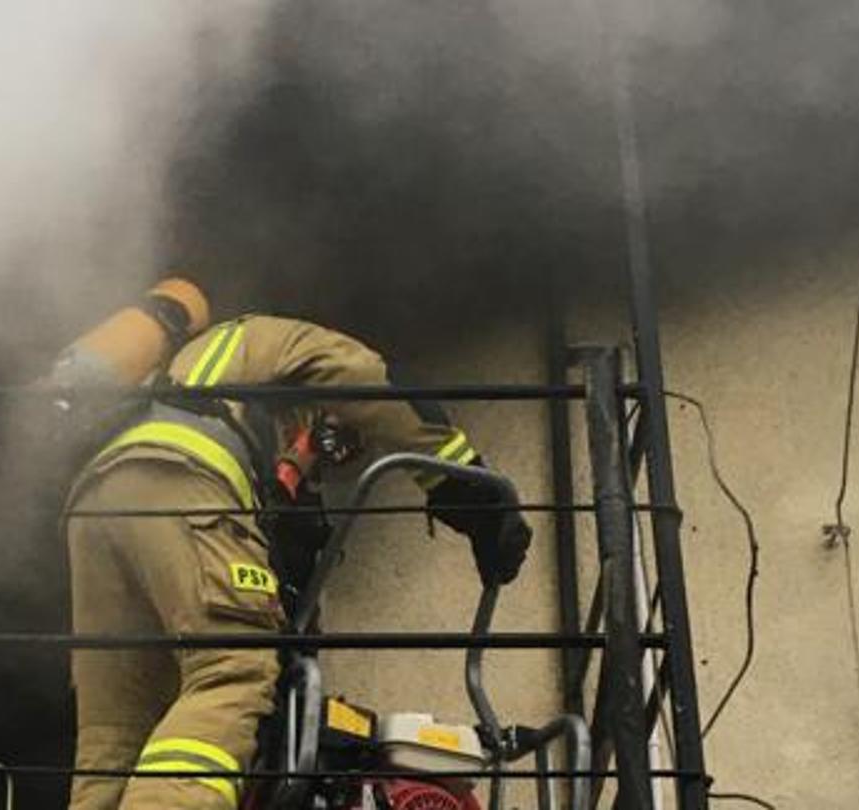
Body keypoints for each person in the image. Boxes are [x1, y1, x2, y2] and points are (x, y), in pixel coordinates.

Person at [51, 282, 531, 810]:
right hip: (179, 475)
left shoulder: (176, 393)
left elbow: (261, 529)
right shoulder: (257, 339)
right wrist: (472, 492)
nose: (332, 452)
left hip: (94, 505)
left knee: (117, 733)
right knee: (234, 667)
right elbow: (362, 377)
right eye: (336, 437)